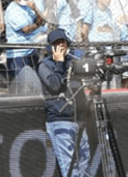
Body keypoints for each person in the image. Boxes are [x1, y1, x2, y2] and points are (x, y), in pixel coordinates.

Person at [38, 29, 91, 177]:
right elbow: (54, 85)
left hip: (78, 120)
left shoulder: (73, 61)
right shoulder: (45, 65)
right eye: (57, 44)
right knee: (70, 168)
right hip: (60, 120)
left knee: (85, 165)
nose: (62, 46)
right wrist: (59, 63)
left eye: (64, 43)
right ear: (51, 47)